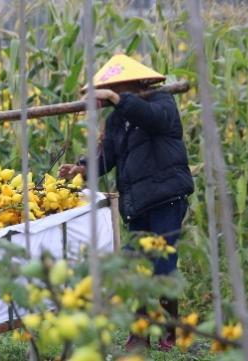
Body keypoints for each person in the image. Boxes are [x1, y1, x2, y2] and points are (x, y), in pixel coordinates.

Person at [58, 54, 194, 351]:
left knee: (163, 267)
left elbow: (153, 120)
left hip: (166, 199)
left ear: (136, 83)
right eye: (110, 89)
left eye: (117, 87)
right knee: (132, 269)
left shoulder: (162, 102)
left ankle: (170, 330)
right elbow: (107, 158)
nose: (113, 93)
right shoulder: (117, 119)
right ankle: (139, 333)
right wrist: (81, 168)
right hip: (136, 205)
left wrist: (118, 100)